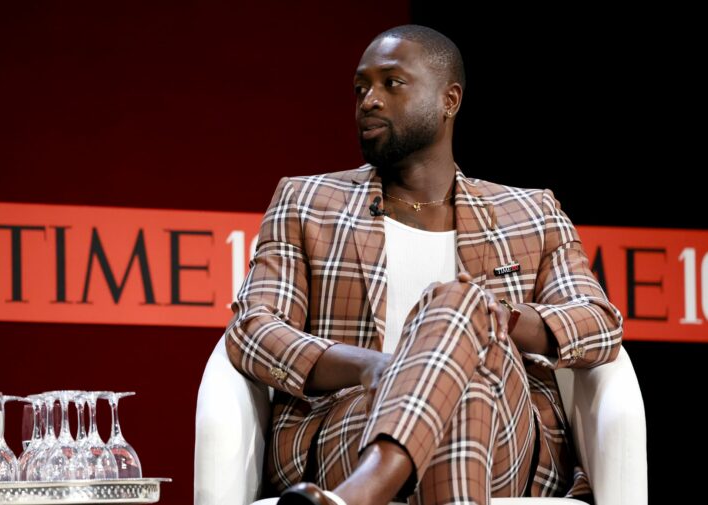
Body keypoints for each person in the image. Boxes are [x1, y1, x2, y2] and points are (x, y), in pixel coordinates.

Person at [225, 25, 622, 505]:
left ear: (449, 100)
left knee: (461, 303)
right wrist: (379, 369)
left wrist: (498, 317)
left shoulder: (532, 211)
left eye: (391, 83)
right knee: (463, 391)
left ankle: (359, 494)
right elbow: (254, 329)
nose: (369, 100)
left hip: (508, 437)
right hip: (351, 420)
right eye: (360, 88)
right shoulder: (306, 201)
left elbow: (600, 324)